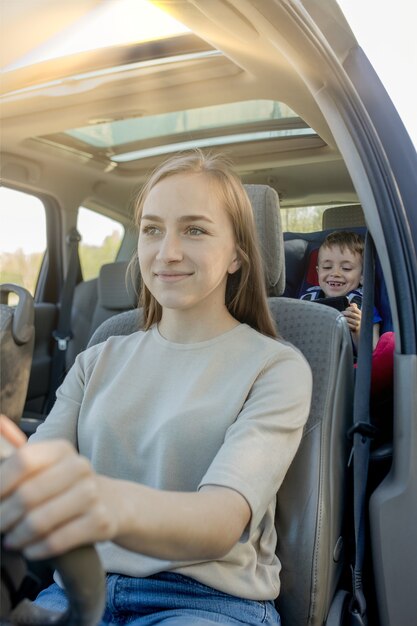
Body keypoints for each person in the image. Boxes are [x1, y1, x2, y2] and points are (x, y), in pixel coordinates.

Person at [0, 151, 312, 626]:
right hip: (78, 592)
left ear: (237, 255)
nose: (167, 252)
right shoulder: (97, 357)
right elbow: (32, 472)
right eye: (152, 229)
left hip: (205, 603)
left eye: (195, 229)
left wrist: (97, 502)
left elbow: (218, 524)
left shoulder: (276, 367)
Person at [300, 230, 381, 350]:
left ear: (362, 276)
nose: (335, 273)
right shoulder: (305, 300)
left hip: (346, 365)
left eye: (346, 268)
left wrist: (358, 331)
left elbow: (373, 351)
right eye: (327, 267)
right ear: (318, 272)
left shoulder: (365, 308)